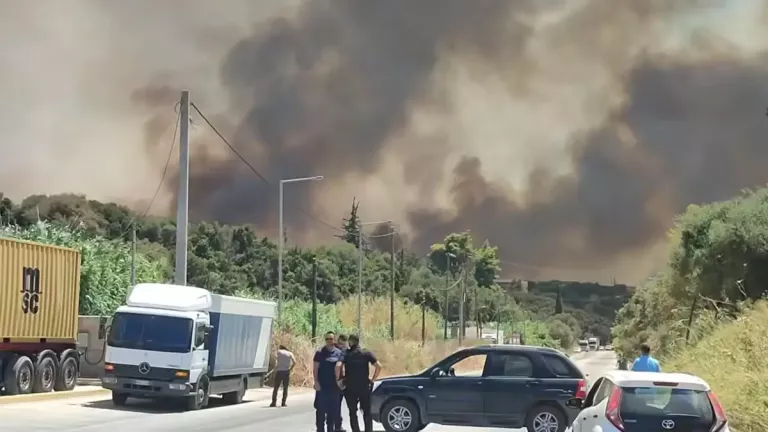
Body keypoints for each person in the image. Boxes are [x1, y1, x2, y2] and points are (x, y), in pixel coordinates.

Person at [341, 334, 382, 432]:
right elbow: (379, 366)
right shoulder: (366, 353)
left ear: (351, 342)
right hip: (364, 386)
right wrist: (372, 379)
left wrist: (341, 379)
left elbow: (338, 366)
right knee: (367, 412)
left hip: (350, 387)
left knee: (352, 412)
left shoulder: (346, 354)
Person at [314, 331, 344, 432]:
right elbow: (315, 369)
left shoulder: (338, 353)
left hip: (334, 388)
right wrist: (316, 382)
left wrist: (341, 383)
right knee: (321, 412)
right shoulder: (319, 353)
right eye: (327, 339)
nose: (329, 341)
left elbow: (341, 370)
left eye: (331, 339)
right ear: (325, 340)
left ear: (334, 340)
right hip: (322, 387)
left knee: (332, 412)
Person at [334, 334, 349, 432]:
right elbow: (338, 366)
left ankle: (337, 426)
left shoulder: (344, 351)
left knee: (337, 404)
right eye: (340, 344)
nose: (341, 346)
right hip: (338, 381)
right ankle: (337, 426)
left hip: (342, 381)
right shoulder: (339, 351)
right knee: (336, 404)